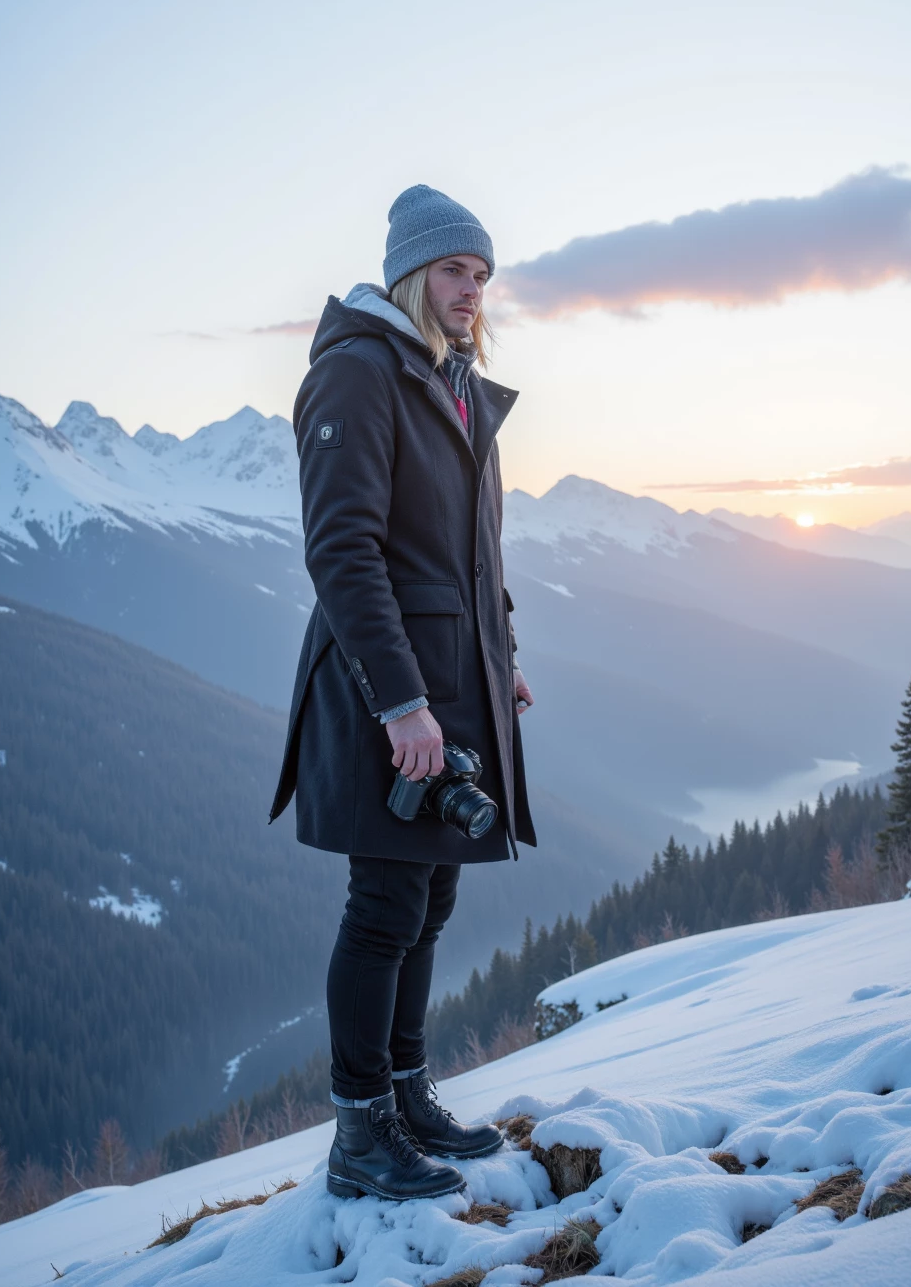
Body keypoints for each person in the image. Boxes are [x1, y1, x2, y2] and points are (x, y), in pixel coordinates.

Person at [269, 184, 537, 1202]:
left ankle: (411, 1093)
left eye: (481, 274)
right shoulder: (357, 375)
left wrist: (500, 651)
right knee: (384, 904)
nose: (470, 290)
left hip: (451, 677)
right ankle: (360, 1131)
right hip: (386, 683)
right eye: (454, 270)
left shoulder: (455, 383)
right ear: (409, 275)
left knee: (429, 898)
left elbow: (475, 549)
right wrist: (401, 704)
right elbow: (342, 552)